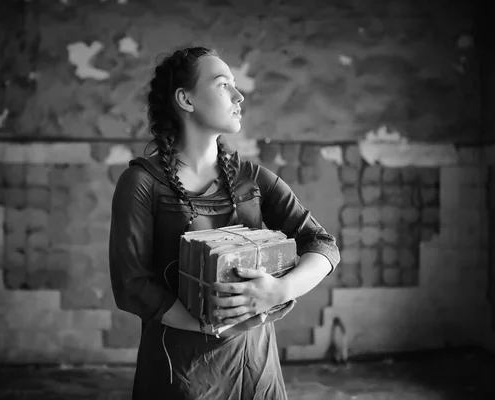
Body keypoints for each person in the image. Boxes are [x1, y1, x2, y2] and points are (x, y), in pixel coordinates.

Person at [108, 46, 340, 400]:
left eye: (235, 84)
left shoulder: (255, 180)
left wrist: (280, 290)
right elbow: (131, 285)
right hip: (180, 375)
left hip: (257, 372)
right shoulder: (142, 184)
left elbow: (322, 244)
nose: (238, 95)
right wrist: (211, 322)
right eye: (222, 84)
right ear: (185, 99)